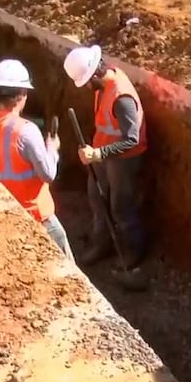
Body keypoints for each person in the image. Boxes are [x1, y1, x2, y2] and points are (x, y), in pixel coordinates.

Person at [0, 59, 74, 261]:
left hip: (6, 213)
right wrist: (52, 148)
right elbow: (48, 174)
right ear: (22, 95)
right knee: (66, 264)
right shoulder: (26, 131)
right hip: (36, 216)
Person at [62, 44, 147, 268]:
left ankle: (132, 251)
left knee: (121, 206)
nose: (86, 87)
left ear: (95, 75)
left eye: (86, 82)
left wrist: (98, 153)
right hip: (102, 153)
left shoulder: (121, 97)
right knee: (97, 198)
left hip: (123, 158)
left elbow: (131, 140)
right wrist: (97, 153)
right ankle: (102, 243)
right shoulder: (103, 86)